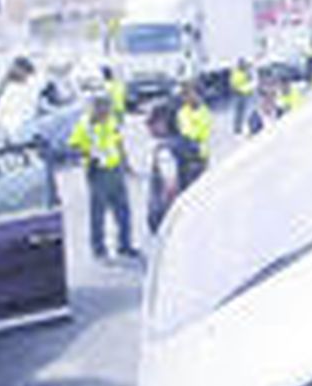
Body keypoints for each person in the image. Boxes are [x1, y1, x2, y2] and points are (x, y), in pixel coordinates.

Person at [68, 94, 138, 260]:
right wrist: (89, 154)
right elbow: (73, 147)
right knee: (98, 214)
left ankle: (124, 245)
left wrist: (126, 164)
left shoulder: (111, 121)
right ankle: (99, 248)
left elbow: (118, 142)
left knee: (123, 211)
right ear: (95, 108)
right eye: (103, 108)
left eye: (109, 108)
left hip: (115, 170)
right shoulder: (84, 126)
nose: (107, 112)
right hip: (98, 173)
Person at [146, 101, 203, 234]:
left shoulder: (165, 151)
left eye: (152, 123)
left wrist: (163, 218)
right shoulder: (188, 143)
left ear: (163, 123)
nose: (149, 127)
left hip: (172, 217)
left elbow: (170, 188)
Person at [175, 82, 212, 171]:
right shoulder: (182, 112)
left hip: (201, 153)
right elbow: (185, 130)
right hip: (189, 154)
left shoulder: (204, 110)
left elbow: (204, 131)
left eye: (189, 94)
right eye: (184, 96)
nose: (187, 98)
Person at [229, 59, 256, 135]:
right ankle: (237, 128)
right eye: (241, 64)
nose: (242, 65)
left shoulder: (246, 72)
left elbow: (251, 81)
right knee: (238, 112)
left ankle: (246, 126)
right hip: (238, 94)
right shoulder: (235, 72)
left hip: (246, 94)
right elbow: (232, 83)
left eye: (243, 64)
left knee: (246, 111)